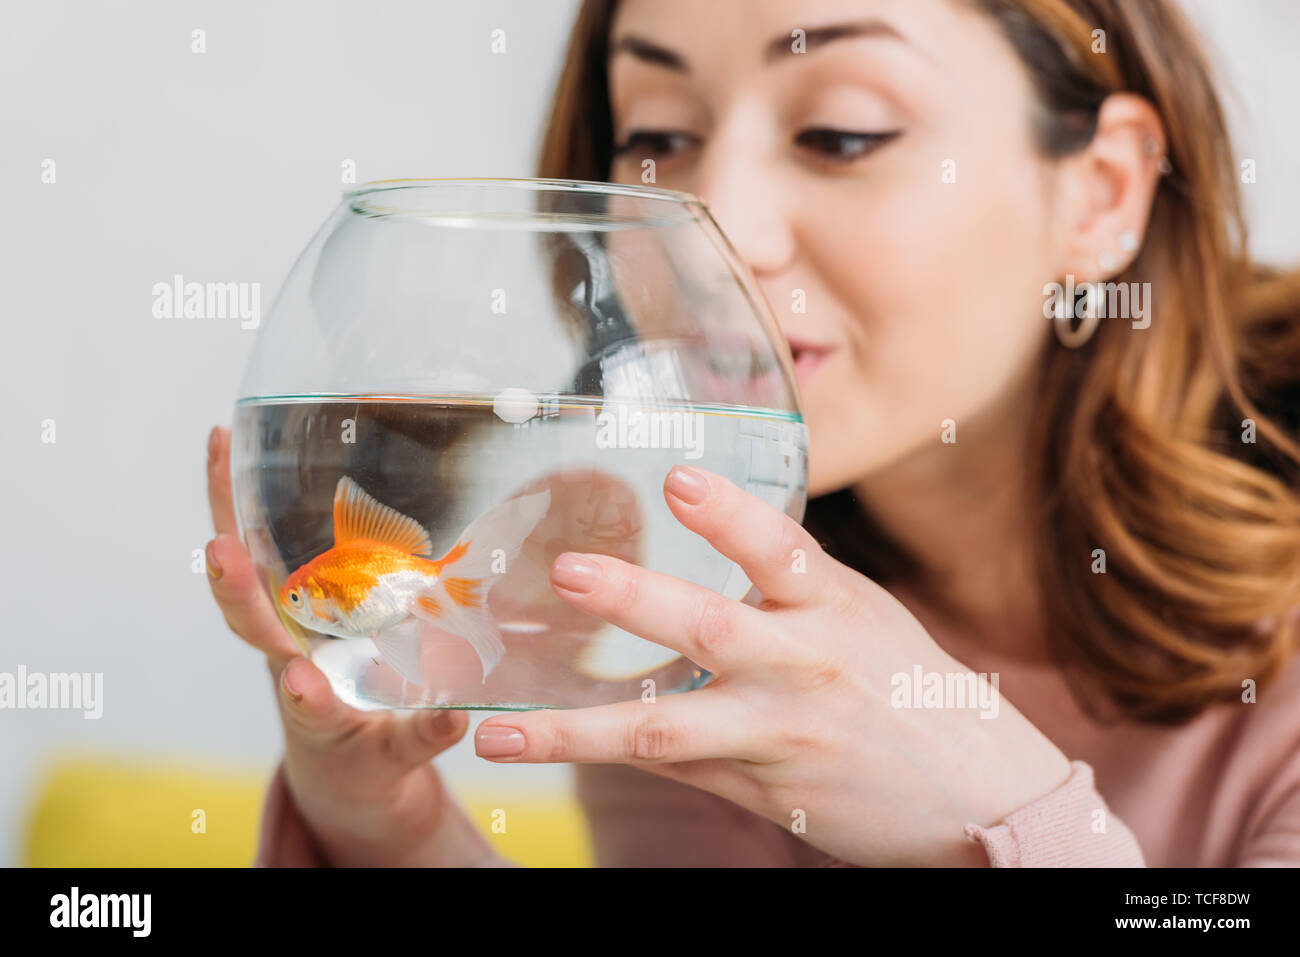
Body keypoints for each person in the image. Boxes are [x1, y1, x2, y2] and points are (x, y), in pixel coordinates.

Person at [205, 0, 1300, 866]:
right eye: (659, 137)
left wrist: (999, 810)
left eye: (840, 133)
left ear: (1101, 194)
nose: (720, 217)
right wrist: (382, 833)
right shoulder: (684, 602)